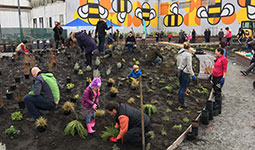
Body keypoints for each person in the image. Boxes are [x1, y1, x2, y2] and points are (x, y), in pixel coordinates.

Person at [177, 42, 196, 108]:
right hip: (185, 73)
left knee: (181, 87)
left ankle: (179, 101)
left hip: (179, 71)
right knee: (183, 88)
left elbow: (177, 63)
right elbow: (189, 66)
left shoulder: (179, 53)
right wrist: (193, 74)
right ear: (189, 48)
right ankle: (182, 103)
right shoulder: (188, 55)